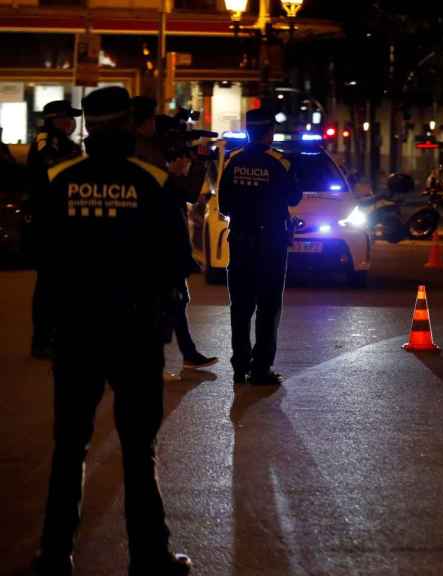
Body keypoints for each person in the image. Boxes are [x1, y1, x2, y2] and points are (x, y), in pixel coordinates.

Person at [31, 86, 192, 576]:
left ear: (88, 128)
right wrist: (163, 319)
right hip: (135, 332)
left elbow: (44, 257)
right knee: (138, 450)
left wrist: (46, 330)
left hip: (78, 331)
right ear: (126, 127)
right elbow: (177, 262)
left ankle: (55, 557)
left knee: (70, 447)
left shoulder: (60, 179)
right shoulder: (153, 181)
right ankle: (149, 557)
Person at [131, 97, 218, 374]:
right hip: (158, 235)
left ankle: (187, 352)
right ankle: (152, 358)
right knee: (169, 297)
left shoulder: (143, 149)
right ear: (145, 122)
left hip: (158, 235)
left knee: (174, 296)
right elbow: (186, 191)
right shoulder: (146, 153)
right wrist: (196, 162)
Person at [219, 108, 301, 386]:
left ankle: (240, 365)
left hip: (240, 240)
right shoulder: (280, 161)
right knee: (268, 307)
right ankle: (260, 368)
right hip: (271, 243)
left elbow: (224, 205)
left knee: (240, 306)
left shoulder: (233, 160)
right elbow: (294, 197)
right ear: (268, 132)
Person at [27, 100, 83, 359]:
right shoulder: (45, 140)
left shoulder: (67, 144)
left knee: (62, 284)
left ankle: (56, 337)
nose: (71, 123)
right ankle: (41, 340)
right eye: (66, 118)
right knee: (49, 285)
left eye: (72, 119)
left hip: (65, 223)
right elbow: (51, 170)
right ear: (53, 119)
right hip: (49, 224)